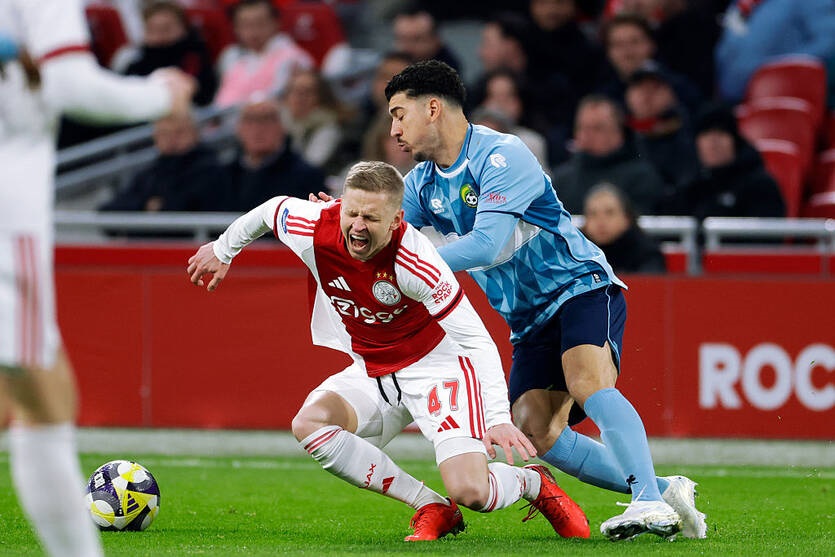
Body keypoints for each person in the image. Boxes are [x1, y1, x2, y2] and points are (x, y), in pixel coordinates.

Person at [384, 60, 706, 541]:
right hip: (527, 317)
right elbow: (388, 236)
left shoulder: (501, 155)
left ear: (432, 108)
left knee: (587, 381)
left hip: (578, 285)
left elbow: (486, 246)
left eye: (399, 114)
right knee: (535, 429)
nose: (394, 130)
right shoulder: (421, 184)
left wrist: (408, 265)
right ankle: (662, 489)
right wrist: (341, 221)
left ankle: (647, 501)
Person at [186, 161, 590, 541]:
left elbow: (477, 340)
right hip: (373, 369)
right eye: (352, 213)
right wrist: (223, 250)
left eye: (371, 218)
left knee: (472, 492)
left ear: (397, 219)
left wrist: (497, 417)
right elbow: (271, 210)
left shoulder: (415, 260)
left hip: (436, 368)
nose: (358, 226)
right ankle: (431, 505)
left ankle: (531, 482)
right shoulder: (314, 225)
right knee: (310, 424)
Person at [0, 1, 194, 556]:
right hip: (8, 210)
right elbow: (70, 85)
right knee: (42, 397)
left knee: (41, 391)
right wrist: (162, 94)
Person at [665, 103, 786, 220]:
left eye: (721, 132)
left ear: (735, 141)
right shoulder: (689, 184)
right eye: (706, 134)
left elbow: (766, 230)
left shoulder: (759, 185)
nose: (713, 142)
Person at [552, 94, 665, 215]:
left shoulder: (641, 179)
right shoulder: (562, 181)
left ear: (618, 133)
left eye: (597, 128)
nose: (587, 135)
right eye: (581, 127)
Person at [99, 111, 228, 215]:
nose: (171, 139)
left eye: (179, 132)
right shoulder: (151, 173)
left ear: (194, 133)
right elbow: (109, 211)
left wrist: (154, 210)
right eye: (164, 133)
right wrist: (145, 206)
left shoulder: (210, 170)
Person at [716, 0, 835, 106]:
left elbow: (829, 43)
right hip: (732, 104)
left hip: (785, 105)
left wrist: (776, 71)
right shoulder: (739, 3)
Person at [221, 97, 326, 212]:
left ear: (283, 126)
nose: (258, 128)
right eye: (250, 120)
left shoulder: (306, 177)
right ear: (238, 128)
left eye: (266, 119)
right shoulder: (221, 176)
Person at [114, 0, 218, 107]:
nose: (159, 36)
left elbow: (201, 93)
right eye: (152, 30)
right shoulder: (135, 61)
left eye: (166, 29)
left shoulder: (194, 57)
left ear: (183, 28)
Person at [214, 0, 314, 107]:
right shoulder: (229, 55)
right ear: (235, 28)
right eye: (245, 25)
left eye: (260, 24)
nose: (253, 31)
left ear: (276, 23)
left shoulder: (294, 58)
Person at [624, 61, 700, 195]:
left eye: (655, 88)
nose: (646, 95)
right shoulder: (619, 135)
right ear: (628, 95)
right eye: (639, 88)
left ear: (671, 94)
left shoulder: (692, 133)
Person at [582, 184, 667, 274]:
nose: (601, 222)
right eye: (593, 214)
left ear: (626, 218)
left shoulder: (646, 253)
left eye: (609, 213)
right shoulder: (575, 252)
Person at [392, 7, 461, 74]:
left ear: (436, 39)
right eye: (402, 39)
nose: (408, 47)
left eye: (417, 39)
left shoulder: (448, 73)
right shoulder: (390, 66)